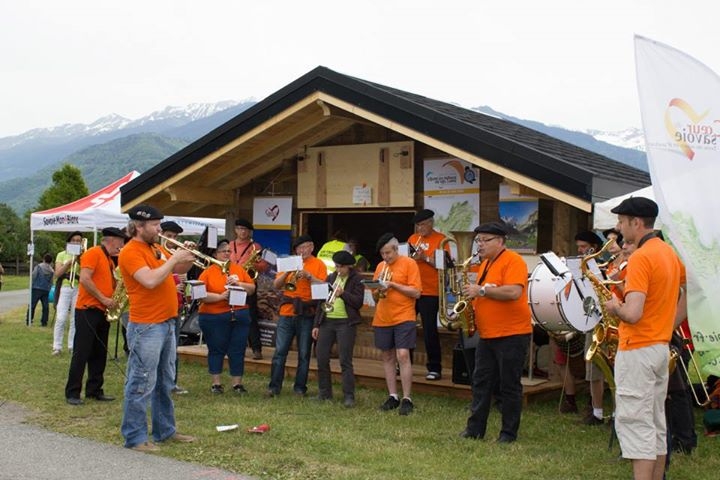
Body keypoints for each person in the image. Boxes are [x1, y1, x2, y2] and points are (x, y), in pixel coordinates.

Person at [604, 197, 684, 480]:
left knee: (636, 425)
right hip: (660, 347)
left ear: (636, 223)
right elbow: (686, 293)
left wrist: (615, 307)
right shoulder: (668, 253)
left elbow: (633, 313)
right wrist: (667, 326)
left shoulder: (640, 257)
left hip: (637, 349)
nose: (618, 227)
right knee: (655, 424)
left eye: (622, 222)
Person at [119, 204, 197, 453]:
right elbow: (151, 281)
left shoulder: (155, 247)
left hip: (167, 321)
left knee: (165, 381)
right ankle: (135, 437)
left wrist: (186, 257)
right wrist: (174, 257)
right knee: (141, 382)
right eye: (154, 225)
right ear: (138, 226)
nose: (159, 229)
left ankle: (165, 431)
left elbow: (176, 271)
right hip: (146, 325)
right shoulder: (130, 252)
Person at [459, 221, 532, 443]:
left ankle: (508, 434)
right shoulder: (485, 264)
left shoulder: (514, 261)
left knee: (509, 385)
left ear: (500, 241)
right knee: (481, 382)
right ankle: (474, 430)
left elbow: (513, 292)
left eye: (484, 240)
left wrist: (480, 291)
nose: (479, 245)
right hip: (489, 334)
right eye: (478, 240)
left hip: (512, 333)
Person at [64, 227, 126, 405]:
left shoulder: (110, 260)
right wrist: (104, 299)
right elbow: (84, 279)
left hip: (102, 311)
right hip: (87, 309)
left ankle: (94, 390)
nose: (121, 247)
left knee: (99, 352)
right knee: (81, 352)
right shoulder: (93, 253)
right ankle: (72, 392)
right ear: (111, 240)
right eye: (120, 243)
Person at [268, 234, 327, 397]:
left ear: (312, 247)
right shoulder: (289, 262)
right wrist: (288, 273)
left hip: (307, 313)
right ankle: (274, 387)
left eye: (306, 247)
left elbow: (324, 287)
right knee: (280, 351)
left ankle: (300, 388)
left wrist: (309, 277)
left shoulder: (319, 264)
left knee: (304, 353)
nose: (303, 251)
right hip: (287, 312)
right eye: (299, 248)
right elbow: (276, 285)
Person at [557, 230, 607, 425]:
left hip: (606, 323)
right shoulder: (578, 270)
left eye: (584, 247)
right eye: (578, 247)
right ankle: (597, 412)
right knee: (593, 369)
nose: (580, 251)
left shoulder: (602, 268)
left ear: (594, 248)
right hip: (591, 323)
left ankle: (603, 410)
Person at [372, 233, 422, 415]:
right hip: (383, 317)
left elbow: (416, 292)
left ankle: (407, 398)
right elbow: (375, 295)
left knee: (403, 355)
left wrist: (393, 285)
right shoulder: (380, 266)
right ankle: (393, 395)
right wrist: (377, 291)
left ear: (396, 249)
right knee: (387, 356)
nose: (385, 257)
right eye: (382, 254)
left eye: (388, 253)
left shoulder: (410, 263)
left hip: (404, 316)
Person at [197, 239, 255, 394]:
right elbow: (199, 295)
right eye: (224, 251)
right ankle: (216, 383)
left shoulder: (238, 269)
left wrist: (239, 284)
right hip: (214, 315)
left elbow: (251, 289)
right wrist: (221, 297)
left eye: (229, 251)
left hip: (239, 313)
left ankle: (237, 384)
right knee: (216, 348)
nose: (227, 254)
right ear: (216, 254)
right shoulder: (208, 272)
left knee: (238, 348)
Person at [312, 250, 365, 407]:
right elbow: (321, 303)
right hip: (327, 322)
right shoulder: (331, 277)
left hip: (346, 323)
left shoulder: (357, 280)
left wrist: (343, 294)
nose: (338, 270)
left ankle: (349, 396)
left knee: (345, 361)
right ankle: (324, 393)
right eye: (336, 267)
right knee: (321, 357)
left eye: (341, 267)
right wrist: (316, 324)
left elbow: (358, 303)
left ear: (349, 267)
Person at [407, 209, 446, 381]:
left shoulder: (441, 240)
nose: (420, 228)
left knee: (430, 330)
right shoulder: (412, 239)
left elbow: (444, 264)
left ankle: (435, 368)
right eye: (418, 225)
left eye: (423, 225)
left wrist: (425, 258)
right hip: (411, 290)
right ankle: (405, 363)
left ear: (431, 223)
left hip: (430, 291)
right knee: (406, 328)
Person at [229, 218, 268, 360]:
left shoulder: (255, 247)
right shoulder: (230, 245)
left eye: (245, 229)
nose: (242, 232)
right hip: (231, 284)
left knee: (250, 317)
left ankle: (256, 348)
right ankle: (234, 347)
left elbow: (264, 266)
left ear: (249, 232)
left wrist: (252, 265)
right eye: (239, 228)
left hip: (248, 285)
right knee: (231, 316)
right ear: (235, 230)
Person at [159, 220, 189, 395]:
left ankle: (171, 382)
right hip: (160, 306)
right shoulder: (158, 252)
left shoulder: (174, 253)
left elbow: (181, 270)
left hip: (175, 304)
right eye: (168, 236)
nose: (171, 240)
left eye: (174, 237)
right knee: (160, 348)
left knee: (173, 347)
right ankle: (159, 384)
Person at [52, 231, 84, 355]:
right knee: (61, 317)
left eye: (79, 240)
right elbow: (57, 273)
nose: (76, 242)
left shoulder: (84, 255)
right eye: (74, 240)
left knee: (75, 318)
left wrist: (79, 258)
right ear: (69, 241)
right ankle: (57, 346)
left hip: (78, 287)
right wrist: (70, 262)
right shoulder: (62, 254)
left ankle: (72, 345)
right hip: (65, 287)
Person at [28, 254, 54, 327]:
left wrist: (32, 284)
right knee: (45, 306)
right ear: (51, 261)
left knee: (32, 305)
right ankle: (44, 321)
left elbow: (33, 275)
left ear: (44, 259)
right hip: (45, 289)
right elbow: (51, 281)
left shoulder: (38, 267)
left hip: (36, 288)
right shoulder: (51, 270)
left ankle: (29, 319)